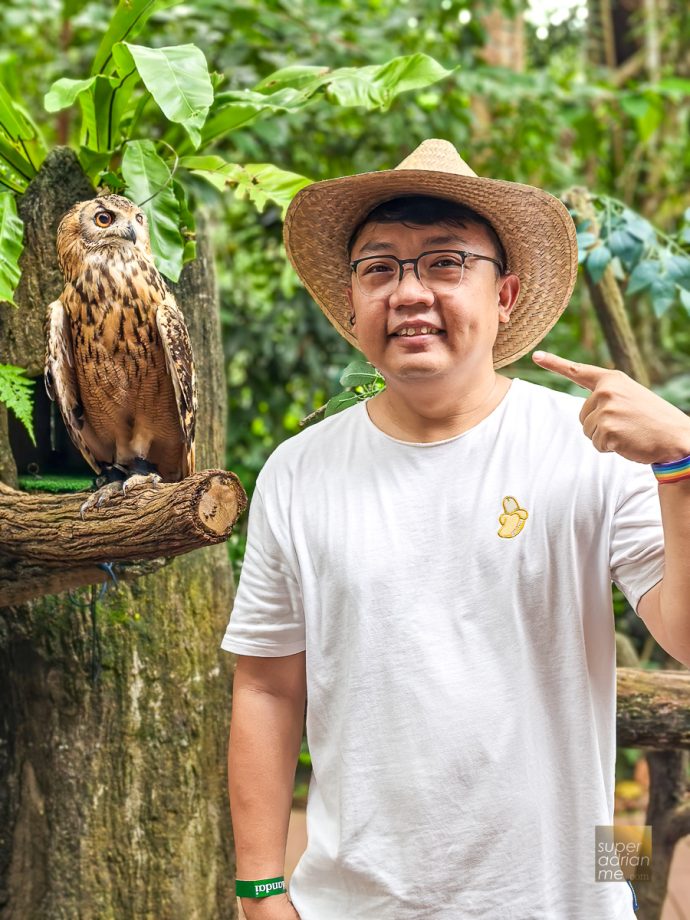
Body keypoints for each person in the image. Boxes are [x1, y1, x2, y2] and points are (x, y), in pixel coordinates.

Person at [221, 139, 690, 920]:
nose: (409, 292)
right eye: (380, 268)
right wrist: (260, 890)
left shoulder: (585, 446)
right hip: (353, 904)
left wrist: (680, 461)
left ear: (504, 294)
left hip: (558, 902)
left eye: (444, 263)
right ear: (352, 301)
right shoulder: (298, 472)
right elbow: (268, 686)